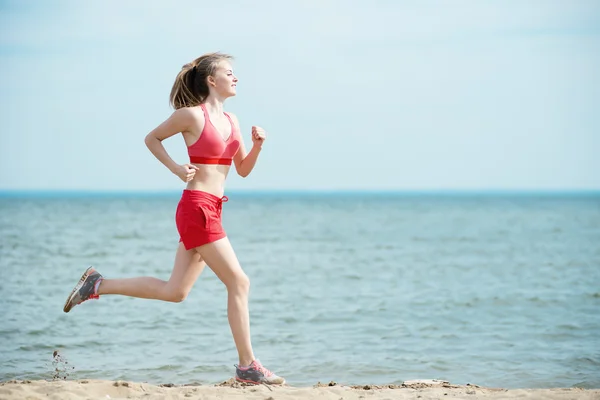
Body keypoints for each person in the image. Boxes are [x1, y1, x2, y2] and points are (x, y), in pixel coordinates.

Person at [62, 52, 285, 386]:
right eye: (229, 72)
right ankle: (247, 366)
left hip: (213, 206)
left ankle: (98, 284)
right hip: (196, 207)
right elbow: (151, 138)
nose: (235, 78)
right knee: (239, 282)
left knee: (176, 291)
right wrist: (177, 168)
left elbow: (242, 170)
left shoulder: (234, 121)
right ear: (212, 80)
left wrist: (258, 146)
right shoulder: (190, 116)